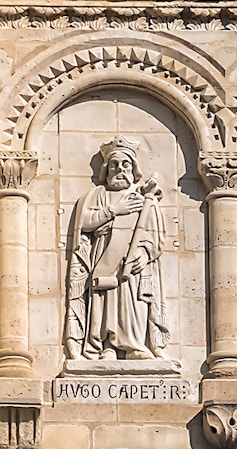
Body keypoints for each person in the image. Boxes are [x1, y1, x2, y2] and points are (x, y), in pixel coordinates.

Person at [65, 135, 169, 361]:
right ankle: (106, 347)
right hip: (104, 254)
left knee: (133, 303)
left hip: (132, 263)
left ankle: (134, 345)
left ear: (133, 168)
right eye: (114, 164)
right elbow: (84, 223)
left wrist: (145, 253)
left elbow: (155, 234)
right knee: (106, 303)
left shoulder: (143, 199)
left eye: (125, 164)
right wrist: (114, 211)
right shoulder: (96, 195)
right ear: (106, 169)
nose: (119, 169)